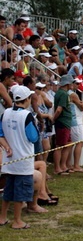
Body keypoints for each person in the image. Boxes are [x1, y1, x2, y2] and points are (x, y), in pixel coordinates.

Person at [0, 85, 39, 229]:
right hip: (23, 160)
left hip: (9, 160)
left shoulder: (6, 113)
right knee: (20, 192)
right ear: (27, 99)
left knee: (8, 190)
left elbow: (0, 134)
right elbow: (33, 137)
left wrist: (7, 147)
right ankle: (17, 221)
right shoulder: (26, 115)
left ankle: (2, 217)